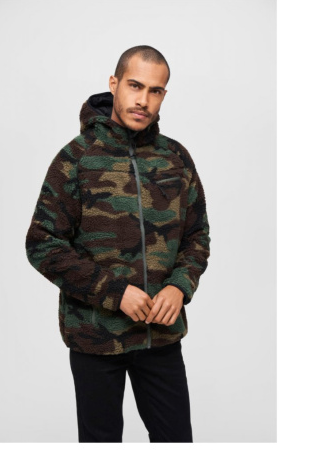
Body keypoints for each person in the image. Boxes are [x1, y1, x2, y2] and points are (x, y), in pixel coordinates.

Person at [25, 45, 211, 443]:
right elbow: (42, 244)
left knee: (176, 440)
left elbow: (197, 236)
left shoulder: (176, 158)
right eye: (135, 85)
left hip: (160, 336)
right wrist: (114, 292)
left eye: (155, 91)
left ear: (164, 95)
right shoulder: (76, 159)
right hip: (95, 338)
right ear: (114, 84)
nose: (144, 100)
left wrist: (180, 286)